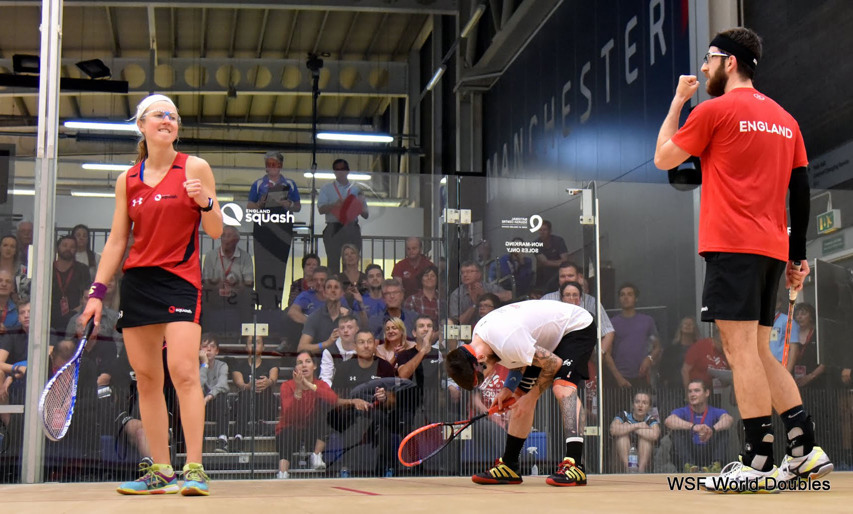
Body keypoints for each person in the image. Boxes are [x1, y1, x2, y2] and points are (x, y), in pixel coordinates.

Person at [654, 27, 832, 490]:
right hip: (773, 250)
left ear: (730, 62)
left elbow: (663, 158)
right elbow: (802, 190)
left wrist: (678, 102)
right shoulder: (785, 119)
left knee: (738, 354)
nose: (705, 68)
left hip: (732, 247)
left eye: (711, 58)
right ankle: (804, 450)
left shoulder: (714, 110)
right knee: (757, 352)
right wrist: (797, 256)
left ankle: (756, 462)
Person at [80, 93, 223, 495]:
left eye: (174, 116)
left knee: (183, 371)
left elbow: (215, 230)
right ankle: (161, 471)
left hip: (180, 281)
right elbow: (116, 241)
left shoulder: (195, 167)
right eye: (160, 115)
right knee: (146, 379)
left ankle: (194, 469)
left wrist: (206, 202)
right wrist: (97, 292)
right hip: (138, 285)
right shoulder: (128, 179)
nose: (169, 120)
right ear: (142, 125)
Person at [445, 300, 597, 486]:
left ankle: (575, 465)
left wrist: (528, 394)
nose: (489, 375)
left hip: (575, 327)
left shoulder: (506, 339)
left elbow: (553, 364)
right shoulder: (483, 340)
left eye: (483, 375)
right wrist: (509, 390)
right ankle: (509, 466)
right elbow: (518, 360)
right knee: (519, 402)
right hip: (541, 342)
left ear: (481, 358)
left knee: (562, 386)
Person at [276, 351, 371, 478]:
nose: (304, 366)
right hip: (291, 428)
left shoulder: (320, 384)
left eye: (307, 362)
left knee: (327, 413)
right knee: (287, 433)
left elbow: (333, 399)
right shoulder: (286, 386)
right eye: (299, 363)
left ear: (314, 366)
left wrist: (310, 385)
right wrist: (298, 390)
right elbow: (289, 413)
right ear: (295, 369)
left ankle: (316, 456)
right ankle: (282, 473)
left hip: (313, 430)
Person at [248, 151, 301, 310]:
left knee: (279, 264)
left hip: (282, 226)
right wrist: (260, 204)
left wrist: (288, 204)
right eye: (268, 164)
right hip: (263, 226)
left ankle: (277, 300)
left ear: (280, 165)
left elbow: (297, 206)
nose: (270, 167)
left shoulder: (290, 183)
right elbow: (249, 206)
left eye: (274, 164)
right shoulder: (258, 184)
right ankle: (262, 301)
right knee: (262, 264)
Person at [542, 262, 615, 363]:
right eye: (563, 276)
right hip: (552, 361)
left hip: (583, 363)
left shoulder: (591, 302)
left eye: (570, 275)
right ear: (558, 279)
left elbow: (608, 331)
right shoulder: (546, 301)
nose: (566, 279)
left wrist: (599, 354)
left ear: (579, 277)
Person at [664, 380, 734, 473]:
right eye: (690, 391)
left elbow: (729, 420)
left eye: (696, 390)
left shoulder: (714, 411)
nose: (692, 394)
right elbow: (668, 421)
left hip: (709, 451)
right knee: (677, 431)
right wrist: (693, 427)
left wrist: (712, 430)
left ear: (707, 393)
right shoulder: (683, 411)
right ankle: (689, 466)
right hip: (690, 452)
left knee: (723, 430)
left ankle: (715, 466)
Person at [317, 159, 369, 274]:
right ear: (334, 172)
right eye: (337, 170)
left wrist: (356, 206)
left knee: (351, 261)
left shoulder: (356, 189)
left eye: (343, 169)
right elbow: (321, 209)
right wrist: (334, 205)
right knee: (333, 261)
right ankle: (333, 288)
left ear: (348, 171)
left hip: (351, 227)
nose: (340, 172)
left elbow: (366, 214)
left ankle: (350, 288)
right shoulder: (326, 188)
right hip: (333, 227)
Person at [605, 283, 661, 388]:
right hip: (620, 377)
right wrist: (618, 377)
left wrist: (649, 359)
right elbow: (606, 353)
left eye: (630, 294)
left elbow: (657, 347)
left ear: (636, 298)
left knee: (644, 404)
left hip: (643, 375)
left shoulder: (647, 321)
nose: (626, 297)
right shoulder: (612, 323)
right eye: (622, 295)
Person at [201, 225, 255, 323]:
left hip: (236, 294)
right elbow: (205, 280)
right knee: (204, 294)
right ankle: (206, 333)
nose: (225, 239)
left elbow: (249, 282)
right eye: (223, 235)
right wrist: (219, 284)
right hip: (216, 293)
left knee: (249, 295)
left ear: (236, 240)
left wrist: (236, 284)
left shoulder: (245, 257)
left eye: (229, 236)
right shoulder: (211, 255)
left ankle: (247, 334)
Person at [609, 391, 661, 473]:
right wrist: (637, 426)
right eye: (637, 402)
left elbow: (655, 435)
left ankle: (640, 471)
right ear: (633, 405)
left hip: (643, 458)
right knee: (622, 438)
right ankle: (629, 470)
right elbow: (613, 430)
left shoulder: (650, 419)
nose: (640, 405)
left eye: (644, 403)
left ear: (649, 407)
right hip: (620, 461)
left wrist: (629, 427)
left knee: (645, 440)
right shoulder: (624, 415)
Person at [448, 261, 510, 326]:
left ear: (479, 274)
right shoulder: (456, 295)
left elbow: (510, 296)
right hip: (467, 332)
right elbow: (456, 323)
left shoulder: (489, 287)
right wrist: (475, 304)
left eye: (469, 271)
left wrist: (485, 295)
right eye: (462, 273)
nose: (465, 275)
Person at [51, 235, 91, 335]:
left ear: (76, 250)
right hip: (49, 316)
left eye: (72, 246)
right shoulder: (48, 268)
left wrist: (78, 309)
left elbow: (87, 292)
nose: (68, 249)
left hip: (74, 315)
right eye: (64, 245)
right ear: (57, 248)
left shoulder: (82, 269)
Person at [198, 336, 230, 453]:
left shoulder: (222, 365)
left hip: (216, 406)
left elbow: (222, 385)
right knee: (195, 397)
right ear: (200, 349)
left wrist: (207, 398)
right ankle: (198, 440)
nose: (209, 349)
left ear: (217, 351)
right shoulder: (194, 366)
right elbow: (198, 385)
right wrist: (204, 365)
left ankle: (222, 439)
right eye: (205, 346)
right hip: (199, 407)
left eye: (212, 347)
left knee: (221, 396)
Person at [790, 303, 826, 389]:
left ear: (811, 317)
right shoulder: (790, 335)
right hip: (793, 382)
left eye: (803, 313)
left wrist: (810, 376)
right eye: (797, 314)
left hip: (816, 382)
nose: (799, 317)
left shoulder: (818, 335)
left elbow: (826, 361)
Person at [659, 317, 701, 389]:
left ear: (695, 329)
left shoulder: (700, 349)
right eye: (685, 324)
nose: (687, 325)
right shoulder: (670, 350)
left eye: (690, 324)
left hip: (694, 387)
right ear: (680, 328)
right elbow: (663, 369)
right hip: (674, 388)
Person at [318, 314, 359, 387]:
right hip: (336, 392)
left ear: (357, 329)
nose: (345, 331)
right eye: (342, 328)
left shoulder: (364, 349)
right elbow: (325, 378)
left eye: (349, 327)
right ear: (338, 331)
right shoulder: (329, 352)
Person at [768, 291, 800, 374]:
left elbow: (794, 349)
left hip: (780, 367)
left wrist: (787, 373)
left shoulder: (788, 321)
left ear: (778, 304)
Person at [534, 220, 569, 290]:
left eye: (545, 230)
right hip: (543, 275)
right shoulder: (536, 243)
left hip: (559, 273)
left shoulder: (558, 240)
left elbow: (565, 260)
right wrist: (559, 262)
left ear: (550, 231)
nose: (542, 232)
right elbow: (544, 262)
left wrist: (549, 262)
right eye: (540, 230)